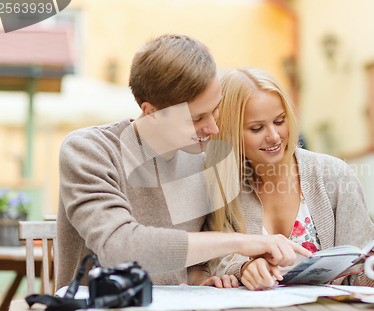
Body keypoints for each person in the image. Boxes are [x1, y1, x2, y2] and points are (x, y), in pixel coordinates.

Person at [55, 35, 310, 291]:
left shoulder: (203, 164)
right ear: (152, 112)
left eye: (216, 109)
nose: (213, 127)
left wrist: (201, 277)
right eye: (196, 118)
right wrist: (239, 242)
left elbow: (193, 263)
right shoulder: (90, 150)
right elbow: (119, 248)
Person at [207, 67, 374, 290]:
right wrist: (242, 269)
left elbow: (360, 278)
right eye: (257, 128)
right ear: (230, 132)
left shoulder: (333, 175)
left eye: (280, 121)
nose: (274, 136)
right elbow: (208, 261)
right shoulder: (219, 184)